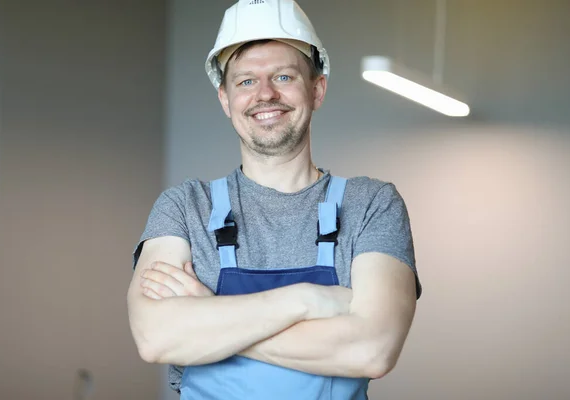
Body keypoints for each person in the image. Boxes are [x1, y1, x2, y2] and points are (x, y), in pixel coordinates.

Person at [127, 0, 422, 398]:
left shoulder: (371, 204)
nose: (265, 94)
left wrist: (210, 317)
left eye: (283, 76)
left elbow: (372, 349)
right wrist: (308, 300)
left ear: (317, 90)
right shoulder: (184, 207)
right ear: (225, 100)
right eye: (246, 81)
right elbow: (155, 338)